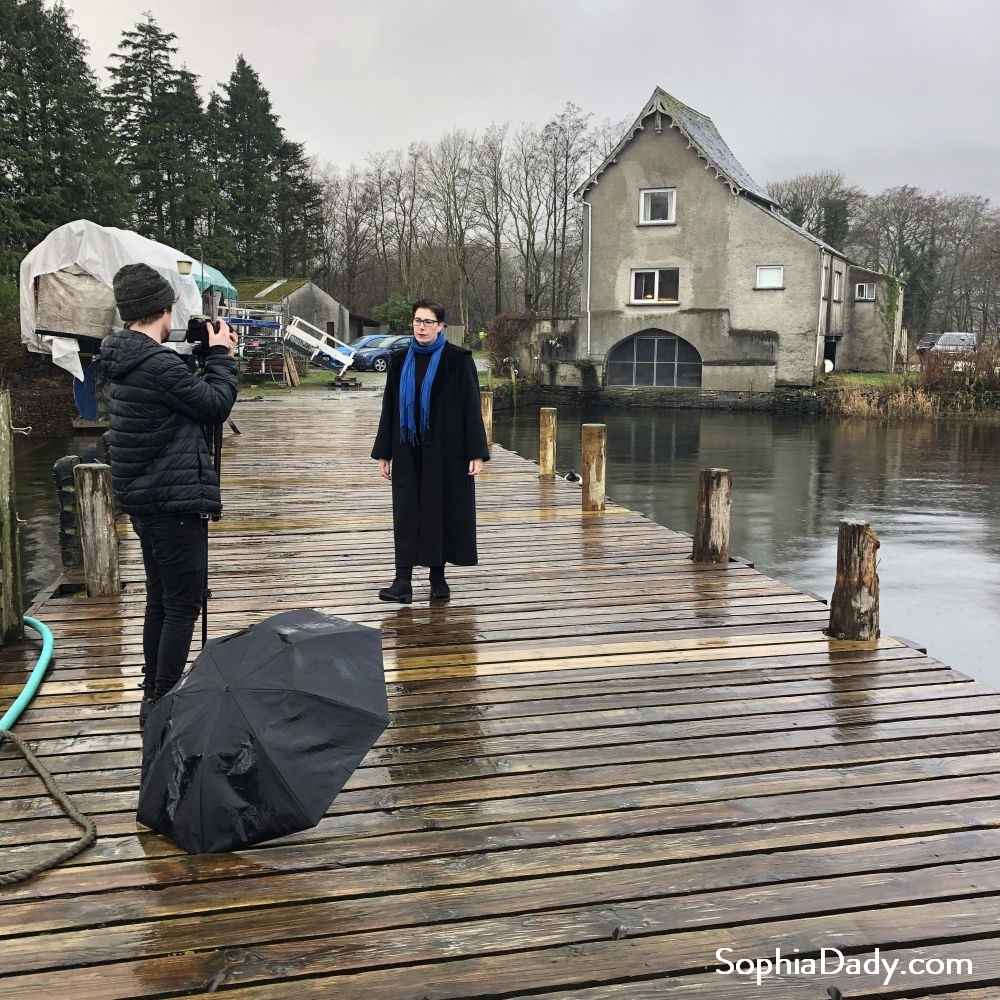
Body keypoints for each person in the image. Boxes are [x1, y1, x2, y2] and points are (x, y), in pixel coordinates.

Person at [99, 263, 238, 728]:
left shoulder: (128, 360)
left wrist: (201, 362)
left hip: (147, 499)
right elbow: (215, 405)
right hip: (173, 503)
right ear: (164, 309)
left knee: (161, 599)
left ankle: (153, 690)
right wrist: (221, 356)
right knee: (182, 605)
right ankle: (162, 703)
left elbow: (184, 403)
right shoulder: (157, 364)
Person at [372, 299, 489, 603]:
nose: (421, 327)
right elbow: (389, 408)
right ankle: (403, 581)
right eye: (417, 321)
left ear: (441, 326)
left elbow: (470, 409)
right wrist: (384, 452)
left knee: (439, 510)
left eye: (428, 322)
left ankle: (438, 578)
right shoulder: (399, 361)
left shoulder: (458, 360)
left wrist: (476, 452)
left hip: (446, 450)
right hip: (407, 448)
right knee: (407, 511)